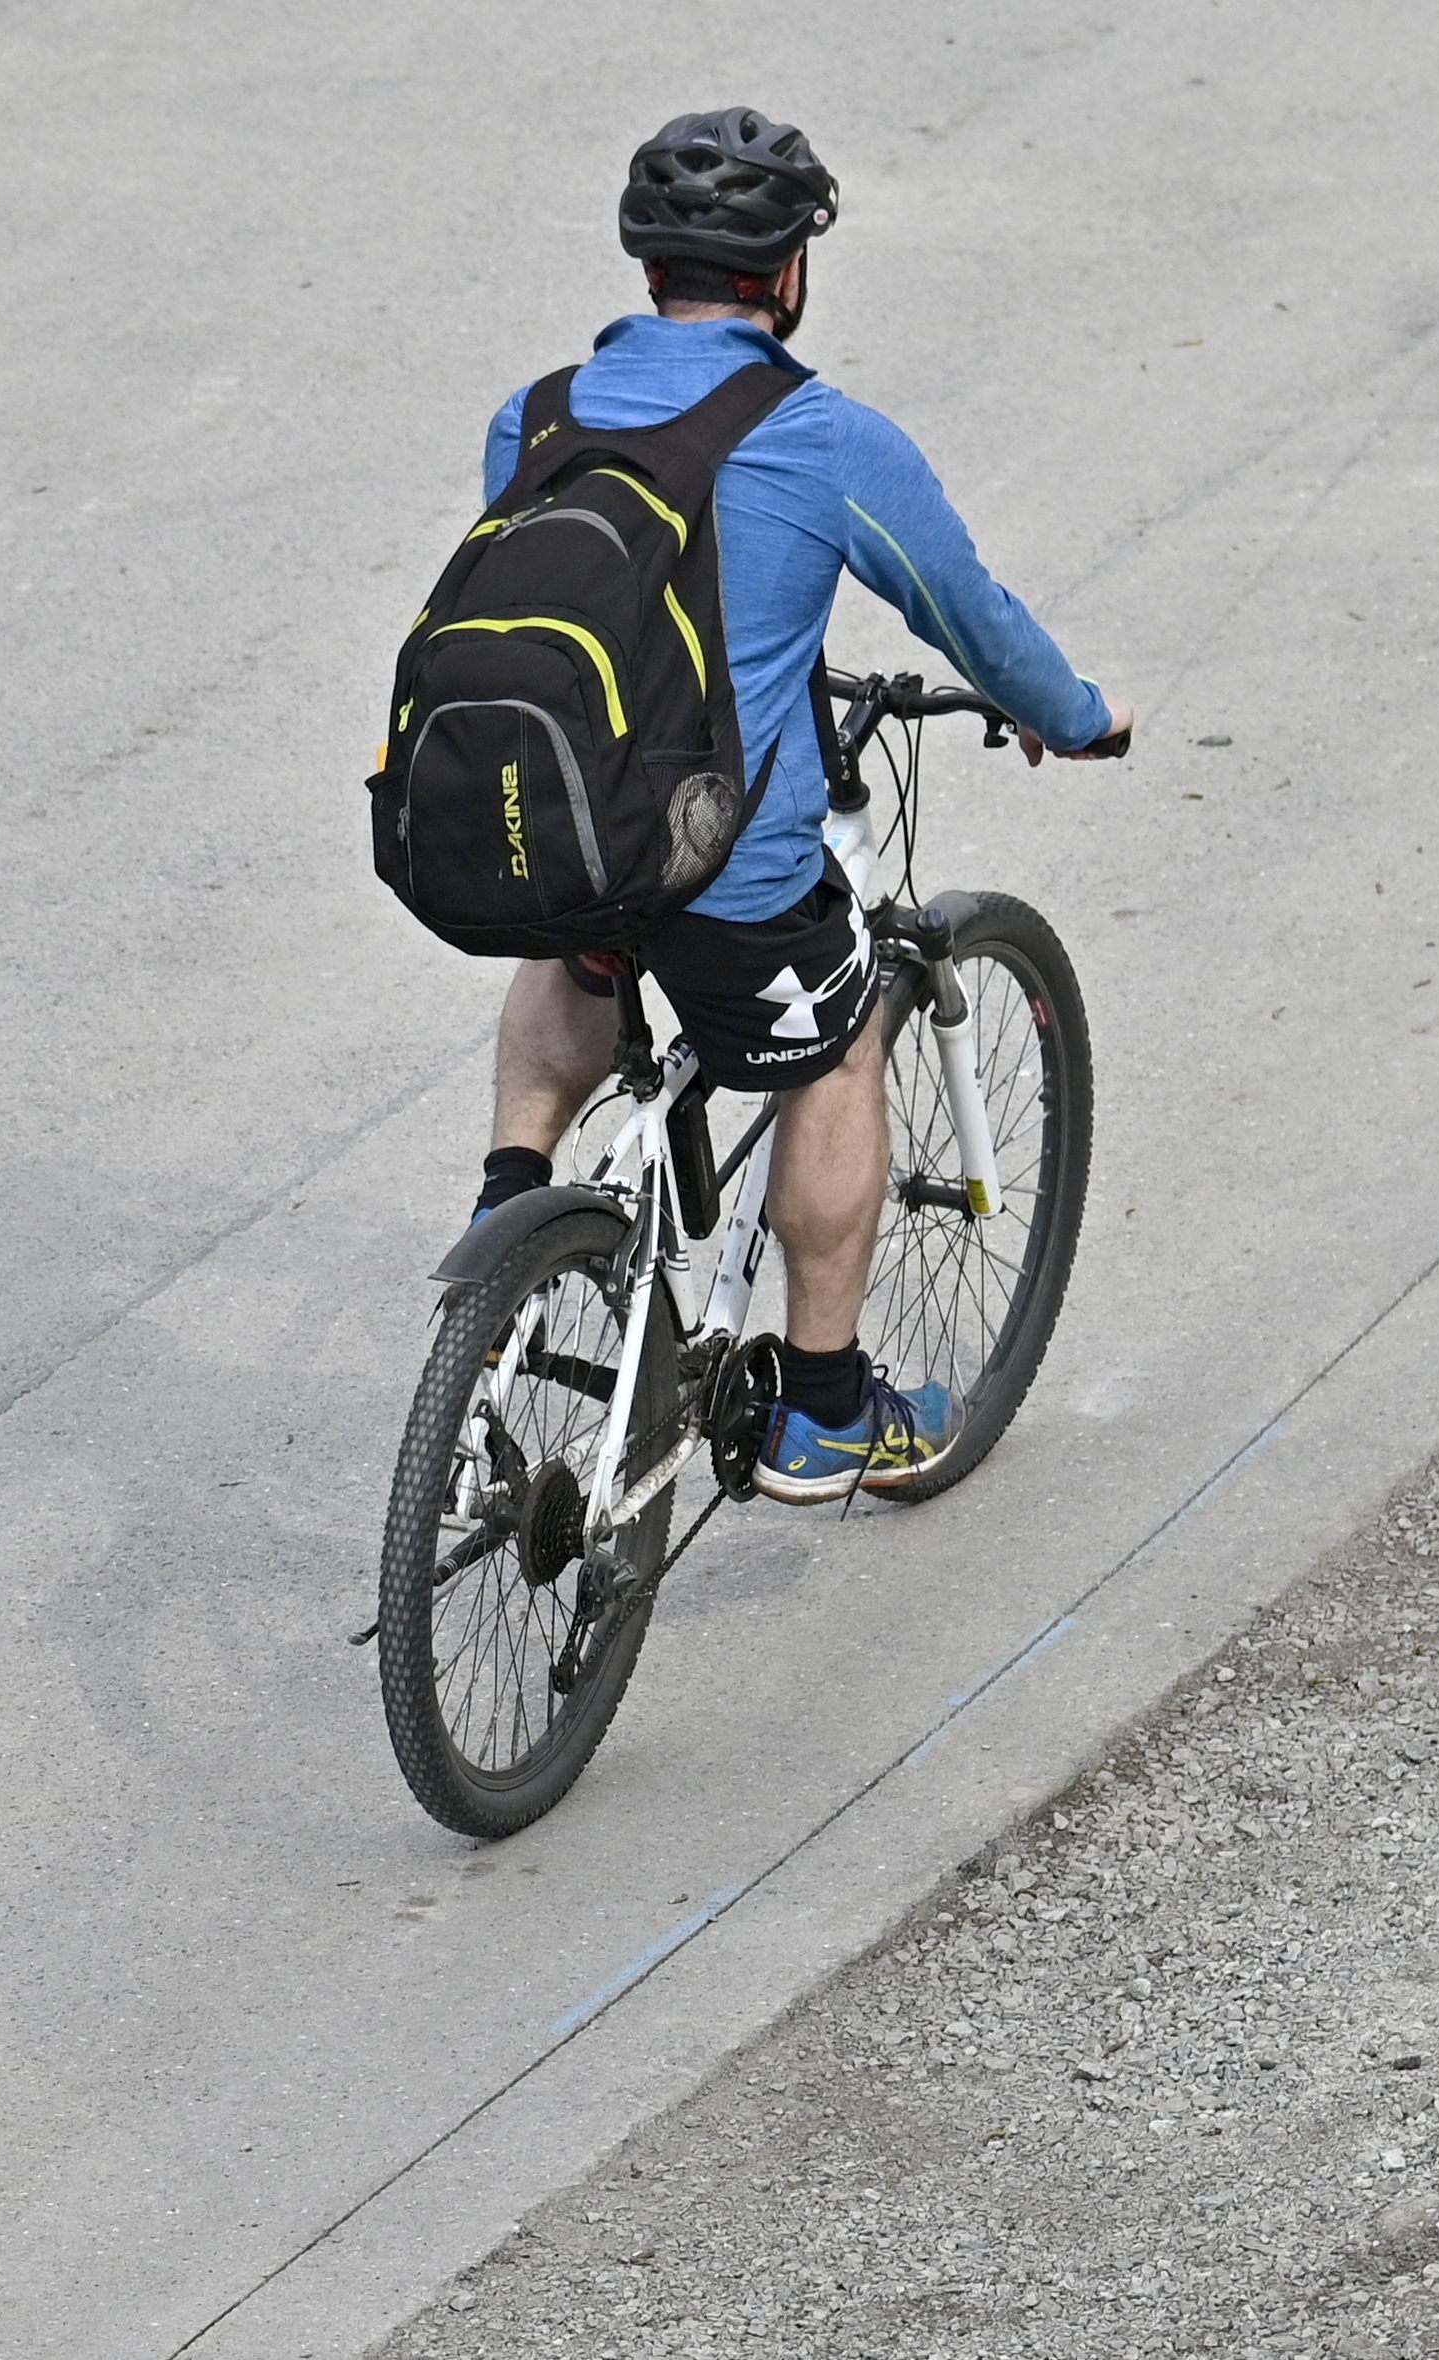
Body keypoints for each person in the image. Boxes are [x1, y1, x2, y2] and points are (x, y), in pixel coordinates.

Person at [466, 108, 1131, 1501]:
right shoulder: (819, 437)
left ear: (648, 264)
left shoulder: (532, 416)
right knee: (833, 1052)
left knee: (586, 934)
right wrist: (1075, 719)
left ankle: (509, 1198)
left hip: (548, 823)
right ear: (787, 277)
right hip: (725, 866)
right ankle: (825, 1408)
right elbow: (972, 618)